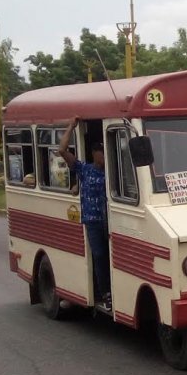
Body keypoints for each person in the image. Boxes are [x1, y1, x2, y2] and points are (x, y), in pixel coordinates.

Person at [58, 117, 111, 312]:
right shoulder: (85, 170)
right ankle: (105, 292)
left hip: (111, 219)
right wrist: (70, 126)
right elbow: (62, 151)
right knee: (99, 255)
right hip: (93, 220)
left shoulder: (114, 172)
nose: (105, 156)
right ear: (95, 154)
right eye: (102, 152)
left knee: (112, 255)